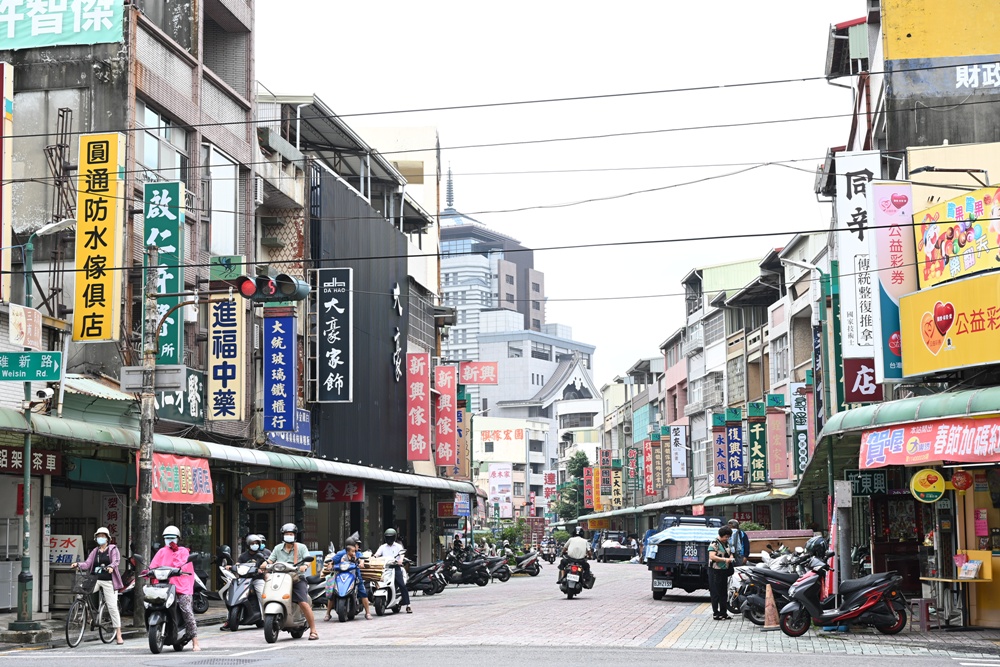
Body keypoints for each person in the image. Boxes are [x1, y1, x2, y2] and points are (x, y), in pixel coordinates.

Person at [149, 525, 200, 650]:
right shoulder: (161, 551)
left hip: (181, 586)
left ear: (178, 538)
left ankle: (195, 642)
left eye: (172, 538)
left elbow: (182, 566)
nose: (169, 540)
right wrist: (148, 572)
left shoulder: (183, 551)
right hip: (164, 586)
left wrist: (176, 551)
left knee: (186, 610)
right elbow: (153, 566)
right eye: (167, 538)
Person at [265, 523, 319, 640]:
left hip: (296, 578)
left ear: (295, 535)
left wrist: (304, 566)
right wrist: (263, 565)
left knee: (303, 603)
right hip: (280, 578)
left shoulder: (301, 547)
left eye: (291, 534)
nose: (288, 536)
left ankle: (313, 630)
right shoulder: (277, 548)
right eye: (286, 534)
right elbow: (269, 561)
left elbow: (308, 560)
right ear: (282, 535)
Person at [72, 527, 124, 645]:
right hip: (95, 579)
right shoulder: (95, 551)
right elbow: (87, 564)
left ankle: (119, 634)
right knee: (81, 590)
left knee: (112, 607)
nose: (101, 538)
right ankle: (88, 615)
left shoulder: (112, 549)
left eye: (103, 536)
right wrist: (78, 564)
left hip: (109, 581)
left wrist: (111, 567)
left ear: (107, 538)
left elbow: (116, 561)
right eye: (99, 536)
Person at [220, 534, 268, 630]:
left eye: (256, 543)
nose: (255, 545)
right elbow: (238, 564)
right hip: (243, 579)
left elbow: (265, 563)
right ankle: (229, 620)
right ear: (248, 545)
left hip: (257, 579)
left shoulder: (261, 554)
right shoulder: (243, 555)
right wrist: (231, 567)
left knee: (262, 594)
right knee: (232, 595)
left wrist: (261, 569)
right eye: (252, 543)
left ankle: (266, 619)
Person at [324, 540, 372, 621]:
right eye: (356, 545)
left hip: (355, 575)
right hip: (341, 575)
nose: (357, 547)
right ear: (349, 547)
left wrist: (361, 563)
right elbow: (332, 561)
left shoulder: (357, 553)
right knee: (332, 593)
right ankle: (328, 613)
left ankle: (368, 613)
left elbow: (361, 559)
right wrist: (330, 565)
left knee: (362, 592)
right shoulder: (341, 554)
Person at [373, 528, 411, 613]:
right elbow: (377, 554)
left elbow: (401, 555)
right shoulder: (382, 547)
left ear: (394, 537)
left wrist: (400, 561)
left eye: (391, 537)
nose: (389, 539)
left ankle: (408, 605)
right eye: (387, 537)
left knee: (402, 585)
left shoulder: (398, 546)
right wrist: (373, 558)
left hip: (396, 568)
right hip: (385, 569)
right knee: (375, 582)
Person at [707, 526, 735, 621]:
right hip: (715, 570)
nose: (727, 538)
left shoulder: (726, 543)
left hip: (724, 570)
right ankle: (716, 613)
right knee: (716, 592)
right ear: (721, 535)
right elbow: (712, 556)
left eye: (728, 537)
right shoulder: (714, 543)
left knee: (723, 592)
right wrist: (724, 559)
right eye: (726, 536)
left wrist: (730, 557)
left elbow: (730, 553)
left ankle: (724, 613)